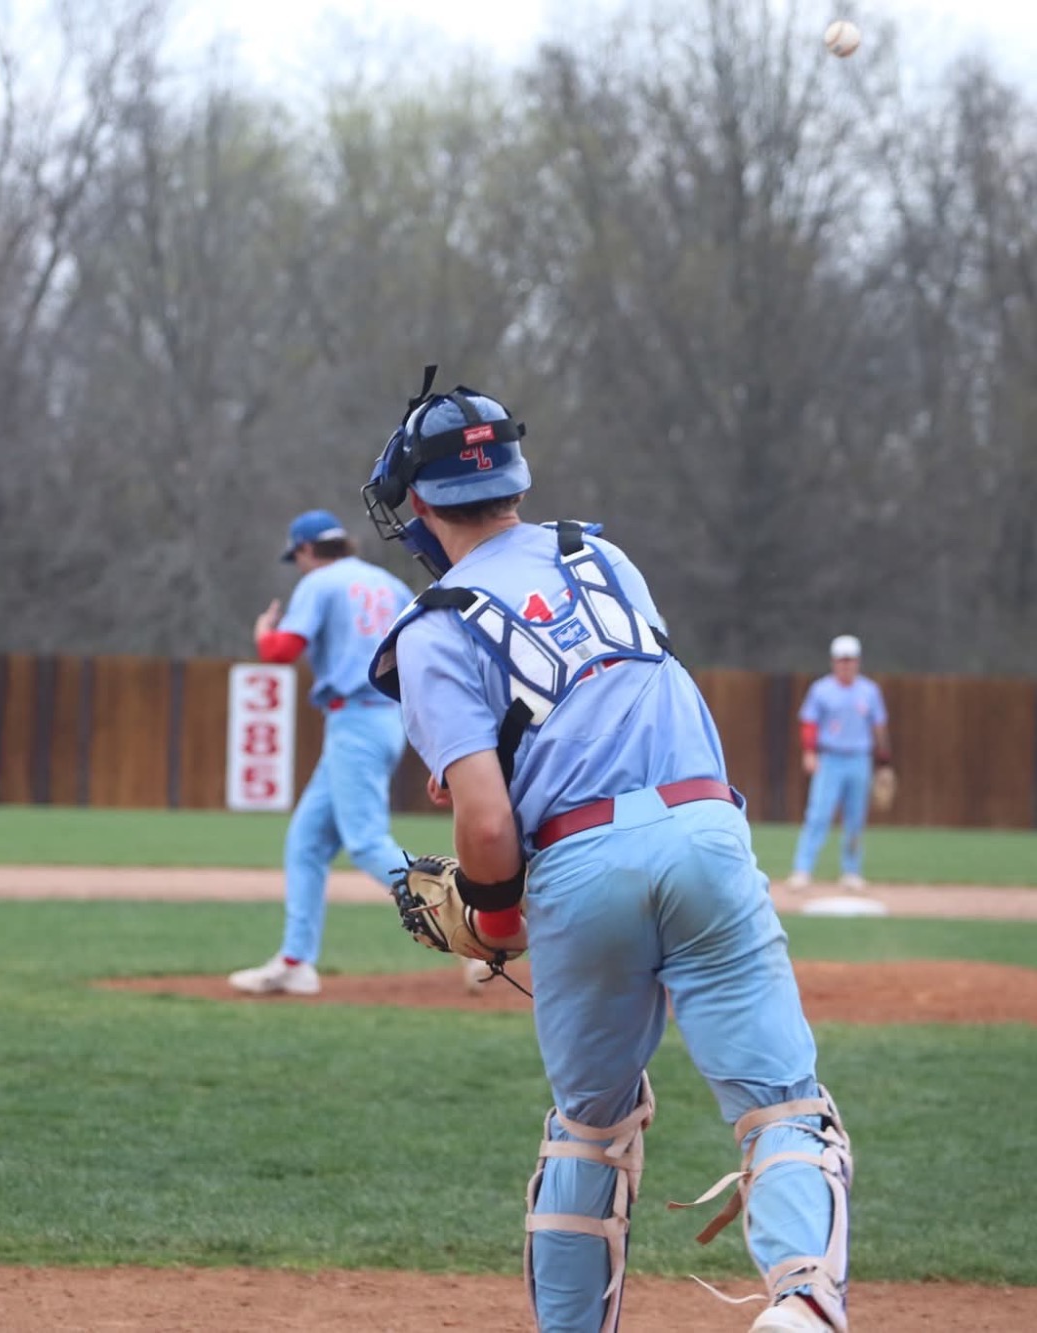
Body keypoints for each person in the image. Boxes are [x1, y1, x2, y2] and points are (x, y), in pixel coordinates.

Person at [361, 369, 853, 1333]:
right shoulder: (601, 554)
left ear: (417, 503)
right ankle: (800, 1299)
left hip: (578, 864)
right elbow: (609, 689)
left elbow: (488, 827)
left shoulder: (432, 628)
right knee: (781, 1108)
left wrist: (494, 920)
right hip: (704, 832)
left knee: (589, 1130)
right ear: (515, 476)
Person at [226, 508, 429, 996]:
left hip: (355, 719)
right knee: (307, 842)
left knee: (366, 842)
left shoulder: (320, 582)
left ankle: (464, 912)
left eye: (296, 556)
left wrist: (263, 632)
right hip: (387, 716)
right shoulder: (388, 584)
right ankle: (295, 961)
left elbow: (279, 651)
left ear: (305, 549)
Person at [786, 636, 890, 892]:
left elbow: (879, 726)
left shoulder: (869, 691)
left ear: (858, 662)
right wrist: (809, 752)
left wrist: (884, 761)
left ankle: (851, 872)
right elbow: (809, 723)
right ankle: (802, 870)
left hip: (859, 758)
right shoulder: (821, 690)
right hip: (830, 758)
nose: (846, 665)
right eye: (842, 660)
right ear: (834, 662)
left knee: (855, 818)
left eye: (850, 660)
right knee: (818, 815)